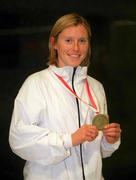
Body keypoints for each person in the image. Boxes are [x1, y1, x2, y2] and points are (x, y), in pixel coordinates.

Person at [9, 13, 121, 180]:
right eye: (68, 40)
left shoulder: (96, 87)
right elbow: (19, 140)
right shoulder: (36, 84)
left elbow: (100, 152)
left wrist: (109, 140)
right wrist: (69, 140)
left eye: (82, 41)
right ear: (54, 43)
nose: (76, 48)